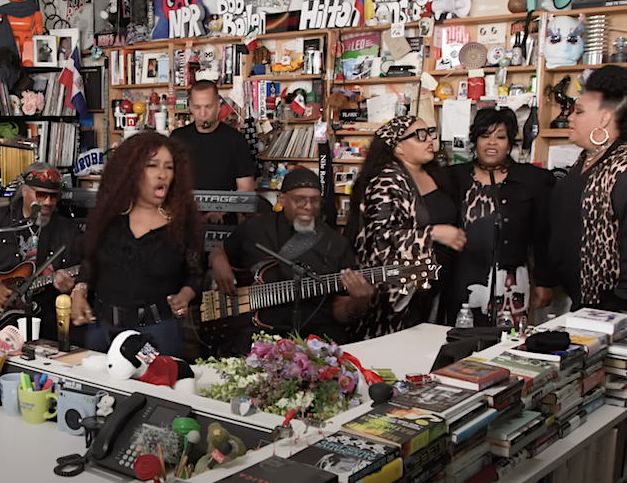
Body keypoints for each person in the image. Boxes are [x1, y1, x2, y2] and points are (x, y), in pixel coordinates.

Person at [539, 65, 627, 325]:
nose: (570, 118)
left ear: (605, 118)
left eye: (579, 112)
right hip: (580, 303)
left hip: (613, 310)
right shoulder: (586, 161)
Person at [208, 168, 374, 353]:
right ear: (282, 199)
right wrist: (219, 260)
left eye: (315, 200)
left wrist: (358, 303)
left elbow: (340, 312)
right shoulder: (254, 229)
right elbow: (221, 250)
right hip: (256, 331)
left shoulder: (337, 245)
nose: (308, 206)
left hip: (314, 336)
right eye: (299, 199)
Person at [70, 132, 202, 357]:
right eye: (152, 165)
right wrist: (79, 292)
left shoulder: (183, 224)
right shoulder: (107, 218)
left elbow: (196, 275)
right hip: (101, 331)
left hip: (157, 333)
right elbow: (90, 264)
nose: (162, 174)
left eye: (169, 167)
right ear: (131, 171)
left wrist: (186, 295)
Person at [347, 115, 465, 339]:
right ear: (398, 146)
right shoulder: (385, 180)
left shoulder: (434, 174)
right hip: (399, 292)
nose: (429, 140)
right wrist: (434, 234)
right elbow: (380, 236)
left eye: (430, 133)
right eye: (419, 136)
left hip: (436, 283)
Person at [444, 108, 555, 326]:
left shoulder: (533, 181)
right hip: (463, 278)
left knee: (508, 344)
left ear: (510, 142)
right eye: (485, 136)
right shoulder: (452, 178)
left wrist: (544, 282)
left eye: (500, 137)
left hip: (512, 280)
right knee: (462, 341)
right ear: (475, 140)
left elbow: (543, 236)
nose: (492, 143)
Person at [0, 163, 81, 340]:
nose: (47, 202)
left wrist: (72, 286)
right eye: (41, 195)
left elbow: (83, 273)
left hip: (45, 321)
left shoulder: (67, 230)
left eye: (53, 197)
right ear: (24, 191)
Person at [170, 81, 255, 192]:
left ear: (218, 104)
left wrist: (223, 209)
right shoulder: (177, 138)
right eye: (197, 107)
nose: (203, 114)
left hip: (225, 208)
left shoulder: (236, 140)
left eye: (208, 106)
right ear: (190, 106)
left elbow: (246, 187)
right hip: (184, 207)